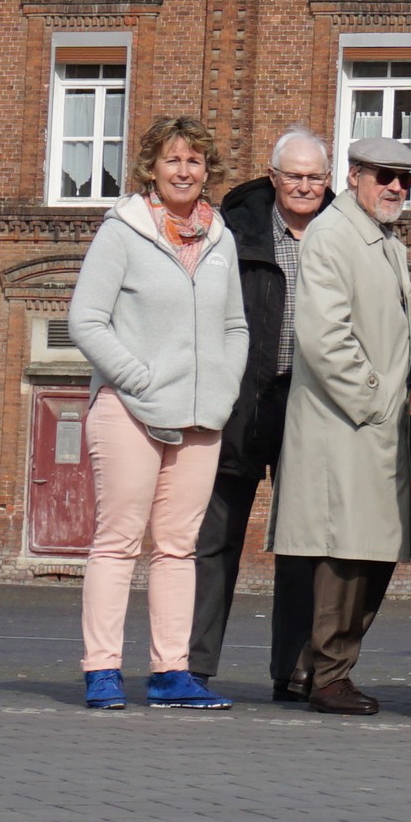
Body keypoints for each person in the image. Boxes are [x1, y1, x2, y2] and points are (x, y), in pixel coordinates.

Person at [63, 114, 250, 710]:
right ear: (151, 167)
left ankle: (171, 672)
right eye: (172, 159)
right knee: (117, 542)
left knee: (177, 547)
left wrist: (221, 389)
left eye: (194, 160)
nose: (184, 170)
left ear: (207, 171)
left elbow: (236, 325)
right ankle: (103, 670)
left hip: (201, 417)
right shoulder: (122, 231)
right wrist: (138, 379)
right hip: (128, 410)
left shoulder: (220, 237)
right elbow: (85, 320)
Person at [271, 132, 411, 716]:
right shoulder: (336, 235)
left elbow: (394, 310)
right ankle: (327, 675)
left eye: (405, 180)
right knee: (345, 550)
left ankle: (316, 670)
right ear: (355, 175)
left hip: (371, 423)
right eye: (383, 176)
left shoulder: (380, 238)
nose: (395, 188)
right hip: (347, 423)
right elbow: (323, 335)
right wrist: (374, 399)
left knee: (369, 549)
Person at [193, 127, 333, 693]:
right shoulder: (233, 228)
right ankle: (193, 665)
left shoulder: (342, 234)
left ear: (329, 182)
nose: (304, 186)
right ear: (273, 177)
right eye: (294, 175)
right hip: (242, 400)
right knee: (215, 539)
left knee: (302, 543)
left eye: (315, 177)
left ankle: (294, 671)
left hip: (311, 406)